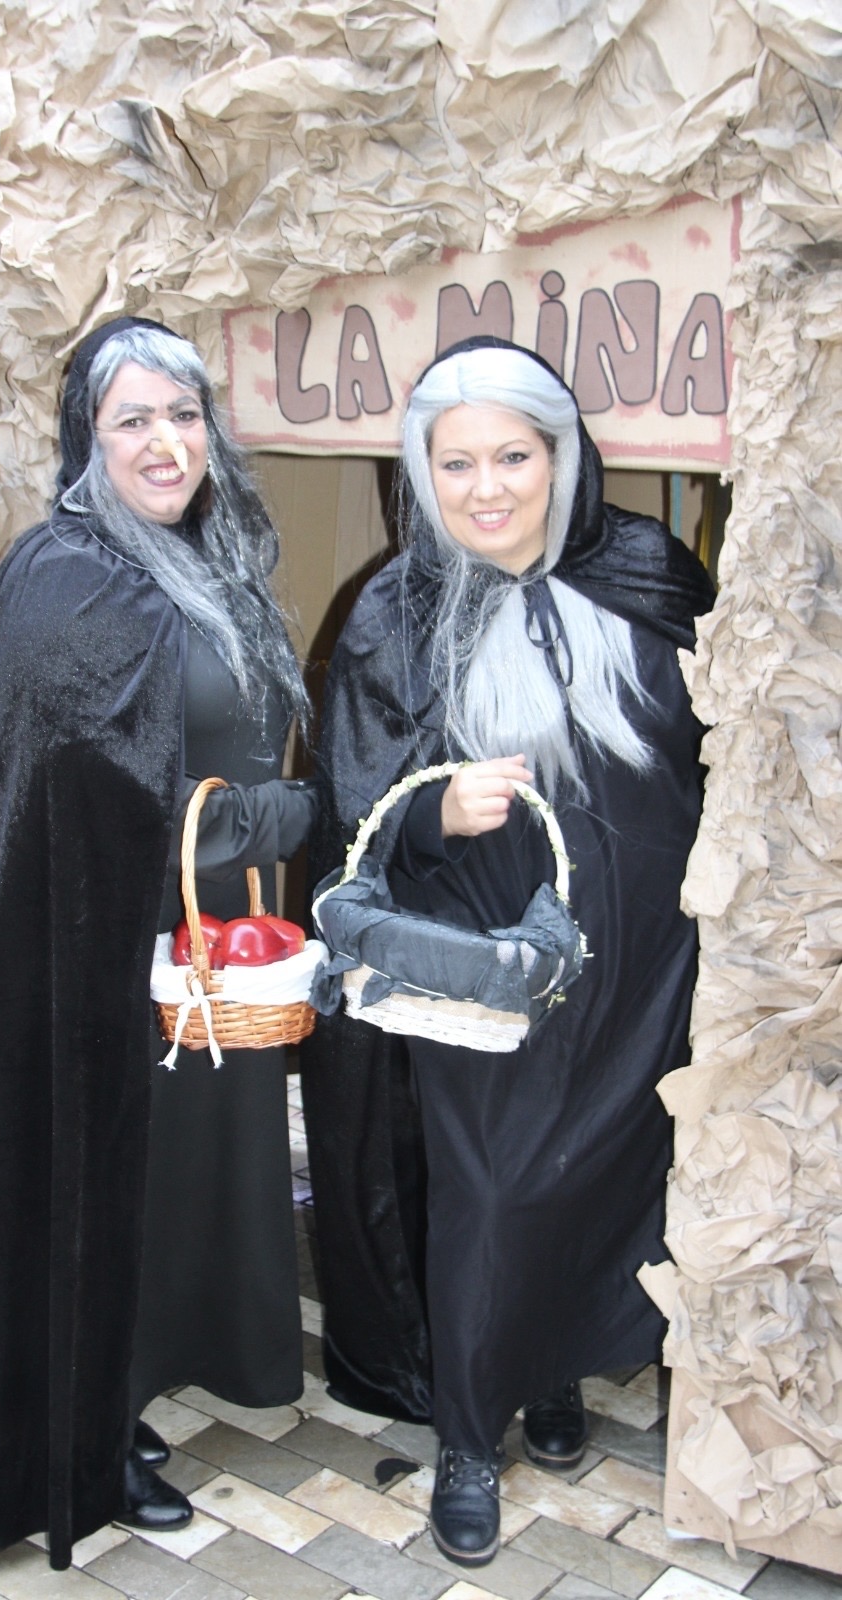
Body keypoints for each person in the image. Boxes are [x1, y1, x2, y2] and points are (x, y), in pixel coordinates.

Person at [301, 336, 715, 1568]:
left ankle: (554, 1371)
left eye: (513, 457)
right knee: (489, 1188)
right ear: (421, 471)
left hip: (645, 949)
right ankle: (470, 1436)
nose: (486, 488)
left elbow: (730, 741)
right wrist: (438, 807)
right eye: (457, 462)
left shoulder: (647, 569)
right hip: (486, 959)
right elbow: (356, 806)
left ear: (561, 457)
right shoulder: (396, 610)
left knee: (602, 1169)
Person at [0, 317, 317, 1570]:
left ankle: (183, 1361)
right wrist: (279, 819)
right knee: (114, 1180)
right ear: (86, 439)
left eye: (184, 415)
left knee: (196, 1166)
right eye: (132, 419)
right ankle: (95, 1420)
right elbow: (91, 797)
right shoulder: (66, 575)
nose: (165, 443)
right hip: (97, 943)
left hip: (214, 932)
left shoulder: (215, 558)